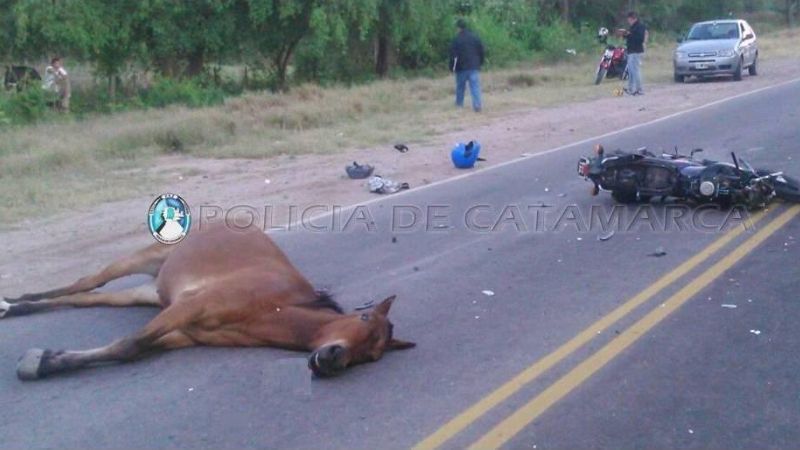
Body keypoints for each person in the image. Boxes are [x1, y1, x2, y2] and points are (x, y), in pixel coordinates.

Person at [449, 19, 484, 112]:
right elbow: (481, 51)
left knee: (460, 87)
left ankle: (459, 105)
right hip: (474, 66)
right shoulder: (475, 37)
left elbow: (453, 56)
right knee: (475, 87)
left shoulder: (456, 40)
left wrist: (452, 67)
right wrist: (480, 62)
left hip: (461, 67)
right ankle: (477, 105)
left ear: (458, 28)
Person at [618, 11, 648, 96]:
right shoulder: (633, 27)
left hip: (636, 51)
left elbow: (640, 39)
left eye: (629, 19)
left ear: (632, 18)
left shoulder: (640, 26)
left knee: (635, 70)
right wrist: (624, 34)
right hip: (631, 51)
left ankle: (639, 90)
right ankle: (630, 88)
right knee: (631, 71)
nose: (628, 21)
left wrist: (629, 34)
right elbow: (630, 37)